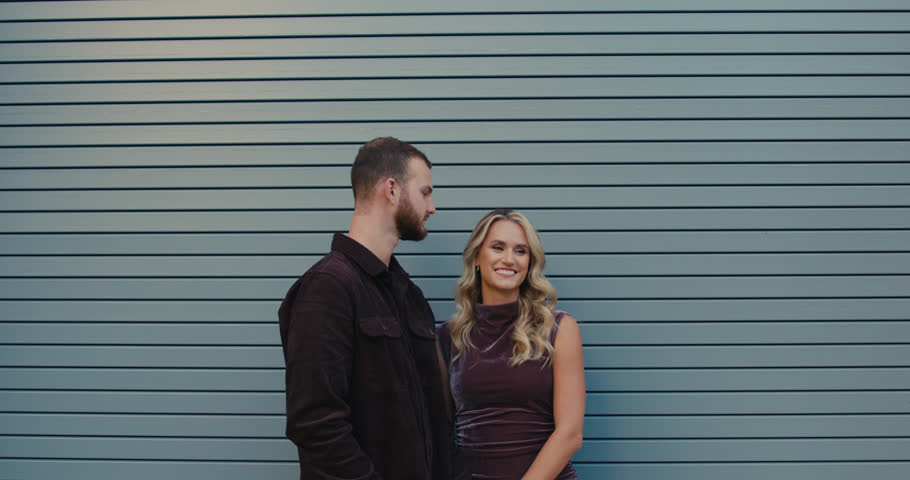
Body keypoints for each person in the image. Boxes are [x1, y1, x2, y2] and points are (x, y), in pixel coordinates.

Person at [278, 137, 449, 479]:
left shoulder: (408, 294)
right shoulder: (327, 288)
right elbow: (315, 424)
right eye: (425, 192)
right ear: (392, 189)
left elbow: (437, 415)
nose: (432, 207)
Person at [437, 209, 586, 480]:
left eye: (520, 251)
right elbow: (440, 431)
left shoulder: (559, 329)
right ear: (476, 258)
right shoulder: (448, 337)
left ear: (530, 263)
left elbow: (570, 435)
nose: (509, 259)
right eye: (497, 247)